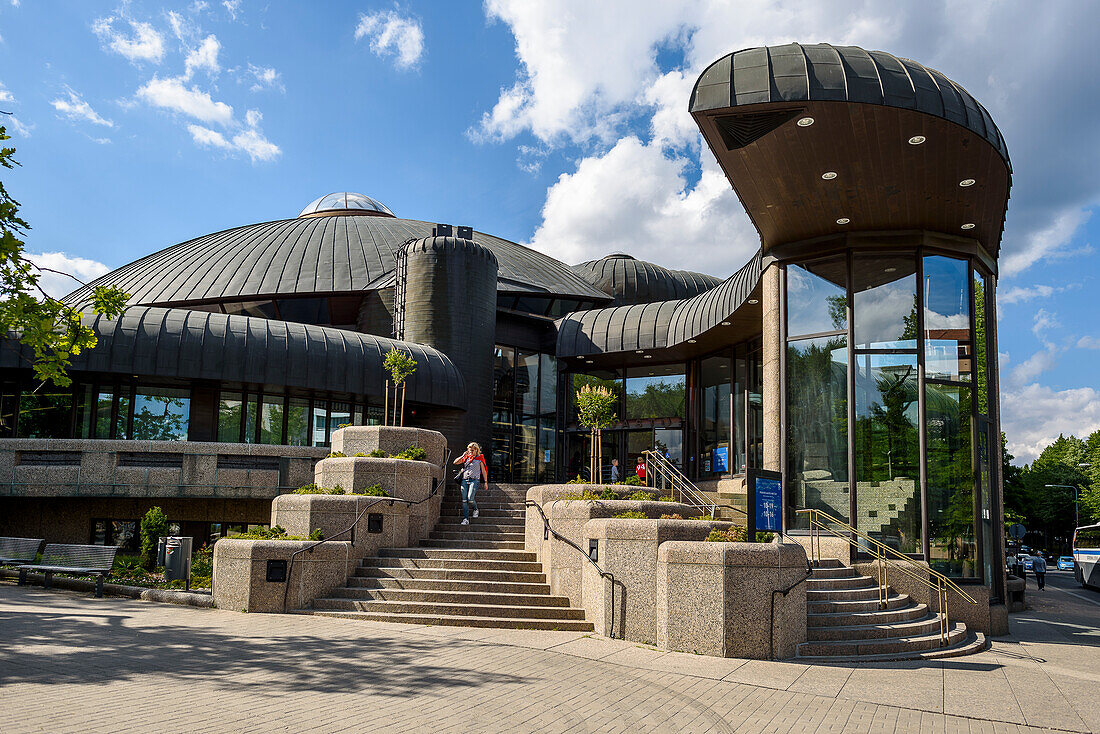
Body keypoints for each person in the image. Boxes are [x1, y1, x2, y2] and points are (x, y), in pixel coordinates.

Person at [452, 442, 488, 526]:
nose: (471, 451)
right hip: (464, 480)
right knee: (464, 500)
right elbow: (455, 462)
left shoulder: (480, 458)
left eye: (472, 450)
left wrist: (485, 482)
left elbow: (483, 471)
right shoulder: (466, 457)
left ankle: (475, 509)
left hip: (474, 480)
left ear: (476, 450)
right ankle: (466, 519)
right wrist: (463, 455)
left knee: (470, 498)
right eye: (469, 449)